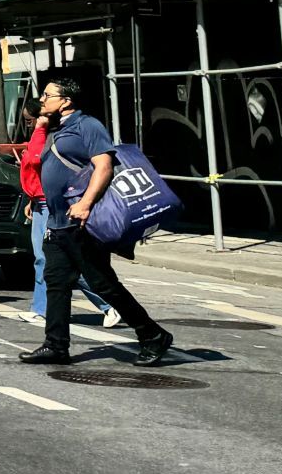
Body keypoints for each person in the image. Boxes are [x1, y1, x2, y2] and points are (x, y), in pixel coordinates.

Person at [20, 76, 173, 367]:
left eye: (47, 95)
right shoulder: (56, 127)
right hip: (57, 220)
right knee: (56, 283)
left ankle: (152, 334)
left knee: (103, 283)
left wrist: (86, 203)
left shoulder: (87, 125)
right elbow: (42, 163)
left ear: (66, 101)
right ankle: (56, 345)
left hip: (80, 221)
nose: (42, 100)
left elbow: (103, 166)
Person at [15, 97, 116, 327]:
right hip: (41, 202)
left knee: (61, 261)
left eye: (30, 120)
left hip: (55, 204)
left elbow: (34, 159)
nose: (29, 125)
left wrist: (39, 129)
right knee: (45, 260)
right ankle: (42, 310)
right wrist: (32, 199)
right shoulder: (50, 132)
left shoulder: (59, 132)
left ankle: (109, 304)